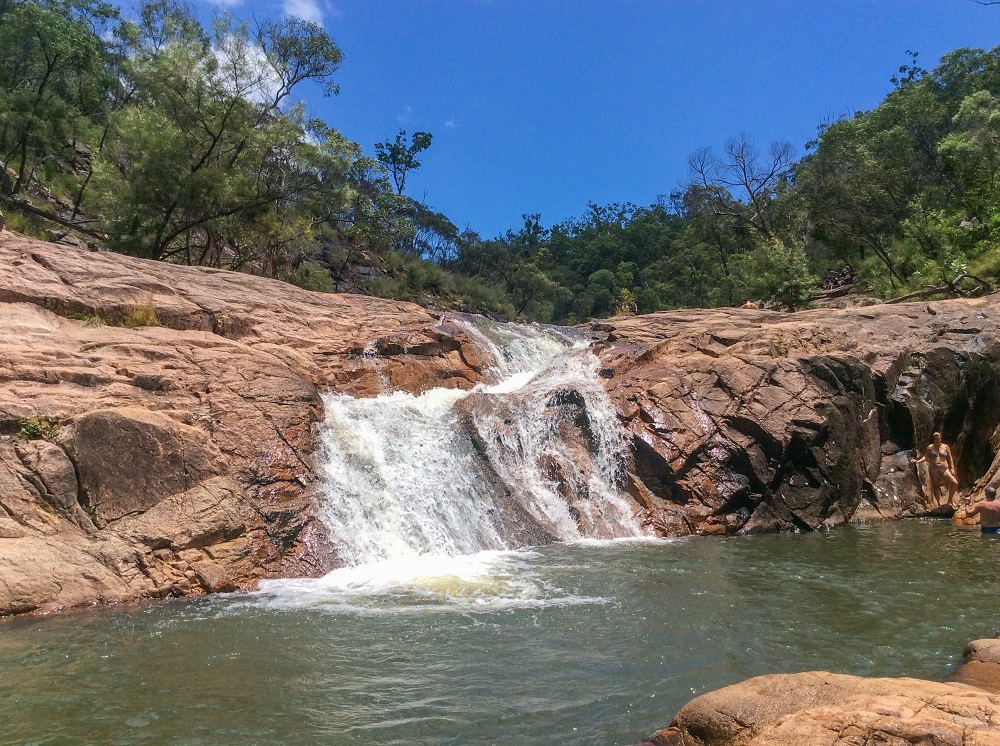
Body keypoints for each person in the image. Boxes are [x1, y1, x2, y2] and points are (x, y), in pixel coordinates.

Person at [910, 432, 958, 506]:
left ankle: (950, 500)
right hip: (934, 468)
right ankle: (938, 504)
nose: (937, 441)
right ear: (934, 440)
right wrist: (917, 461)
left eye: (938, 439)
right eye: (936, 439)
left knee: (954, 482)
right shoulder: (930, 447)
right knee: (936, 485)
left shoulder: (945, 447)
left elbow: (950, 458)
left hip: (944, 468)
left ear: (940, 439)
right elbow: (926, 457)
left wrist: (952, 468)